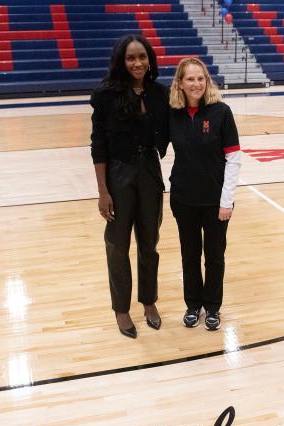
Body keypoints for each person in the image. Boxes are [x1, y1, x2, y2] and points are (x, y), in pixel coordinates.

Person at [90, 35, 169, 338]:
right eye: (131, 58)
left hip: (150, 171)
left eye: (142, 57)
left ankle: (149, 301)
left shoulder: (160, 94)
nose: (137, 63)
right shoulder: (105, 95)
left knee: (149, 242)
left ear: (150, 60)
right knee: (117, 245)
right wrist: (103, 191)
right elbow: (98, 145)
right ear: (121, 62)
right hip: (119, 175)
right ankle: (121, 309)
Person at [168, 57, 241, 331]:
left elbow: (233, 159)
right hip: (183, 200)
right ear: (180, 83)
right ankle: (193, 305)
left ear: (206, 81)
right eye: (190, 79)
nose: (196, 83)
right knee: (189, 255)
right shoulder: (172, 113)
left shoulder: (221, 112)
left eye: (200, 78)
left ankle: (212, 307)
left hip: (215, 202)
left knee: (214, 256)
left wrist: (226, 201)